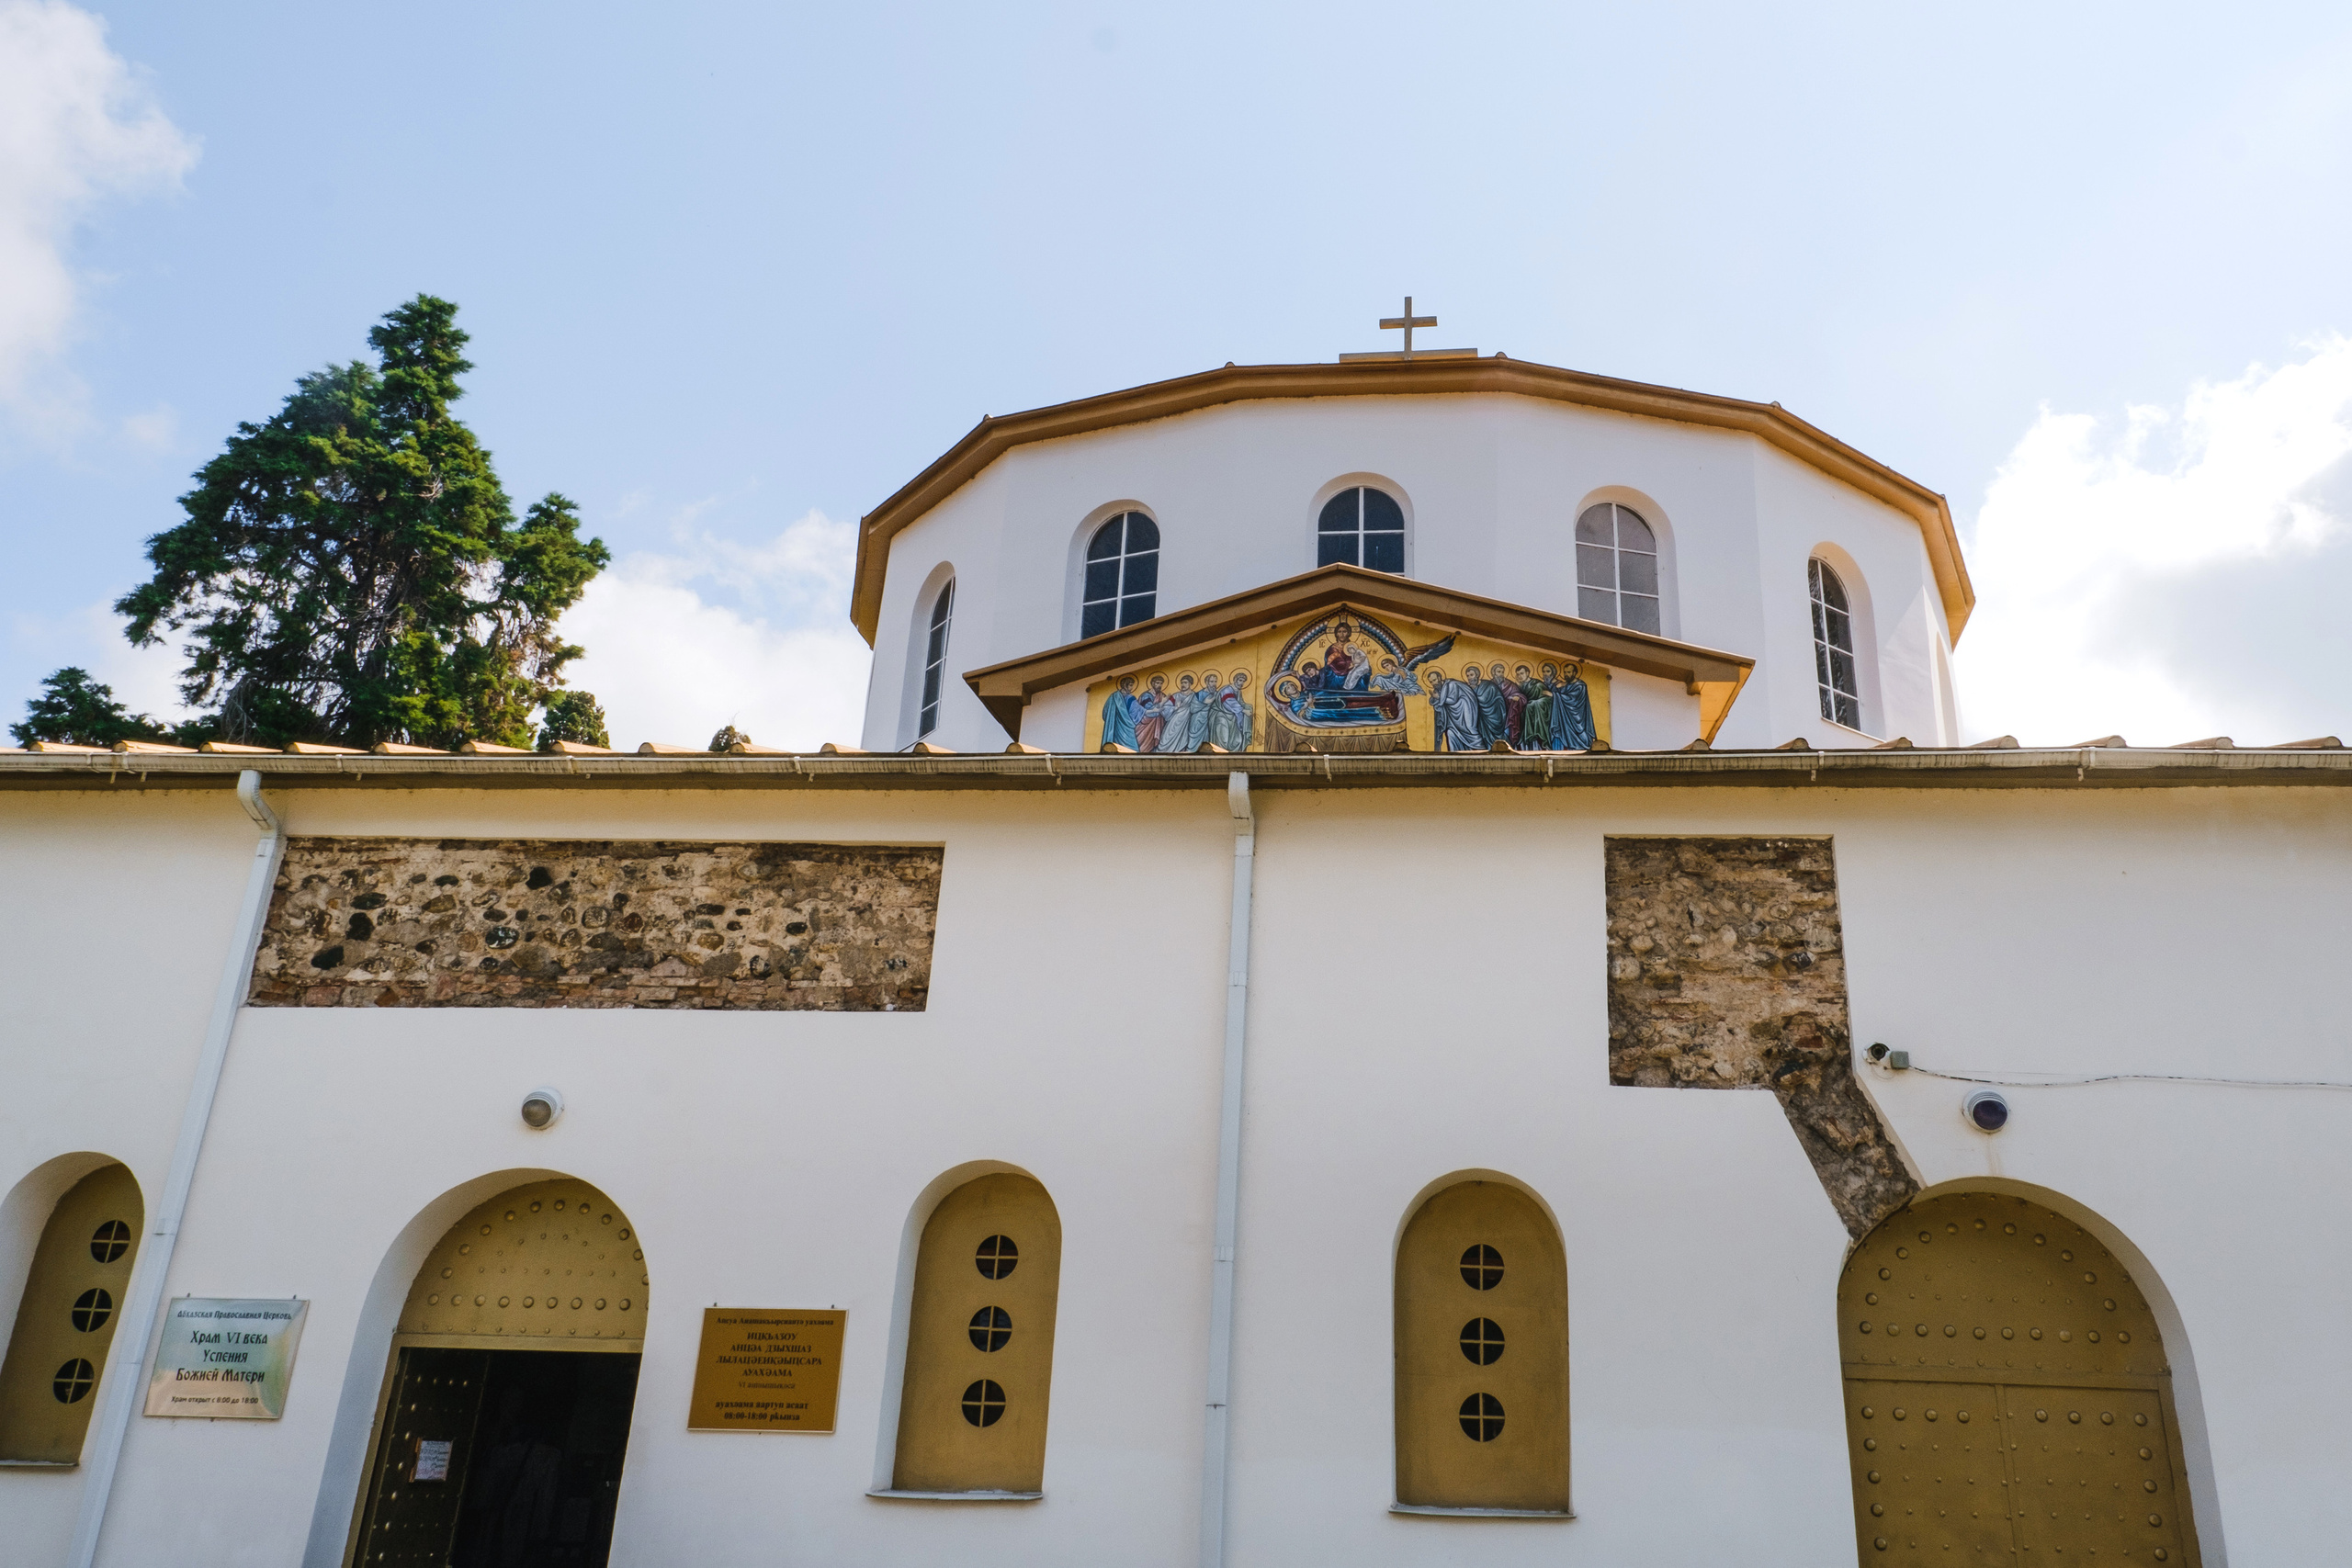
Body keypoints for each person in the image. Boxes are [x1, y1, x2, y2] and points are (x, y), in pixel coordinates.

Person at [1425, 667, 1484, 753]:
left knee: (1470, 731)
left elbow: (1453, 700)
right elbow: (1437, 703)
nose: (1434, 683)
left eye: (1434, 680)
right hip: (1453, 718)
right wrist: (1436, 699)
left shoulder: (1451, 684)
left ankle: (1482, 751)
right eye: (1431, 682)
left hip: (1464, 710)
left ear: (1439, 677)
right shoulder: (1439, 689)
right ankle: (1454, 754)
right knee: (1450, 733)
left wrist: (1438, 698)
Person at [1550, 661, 1598, 751]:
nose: (1566, 675)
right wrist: (1557, 687)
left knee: (1582, 737)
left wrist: (1554, 695)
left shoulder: (1580, 686)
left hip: (1578, 718)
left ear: (1574, 673)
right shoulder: (1565, 684)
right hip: (1565, 719)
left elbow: (1573, 700)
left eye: (1569, 672)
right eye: (1565, 672)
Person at [1469, 663, 1509, 750]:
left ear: (1477, 674)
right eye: (1468, 676)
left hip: (1493, 717)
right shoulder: (1470, 688)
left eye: (1472, 675)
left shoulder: (1488, 685)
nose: (1470, 678)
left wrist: (1473, 692)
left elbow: (1485, 700)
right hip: (1482, 720)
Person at [1521, 663, 1556, 750]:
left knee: (1532, 705)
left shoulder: (1538, 684)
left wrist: (1534, 703)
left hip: (1543, 715)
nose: (1545, 674)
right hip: (1530, 715)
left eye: (1548, 671)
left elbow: (1548, 700)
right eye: (1543, 671)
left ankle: (1544, 742)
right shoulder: (1521, 686)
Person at [1101, 675, 1139, 751]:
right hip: (1118, 729)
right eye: (1130, 685)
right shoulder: (1114, 697)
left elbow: (1105, 714)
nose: (1131, 688)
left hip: (1128, 727)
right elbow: (1106, 713)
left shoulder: (1131, 698)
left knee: (1133, 750)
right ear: (1125, 685)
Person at [1133, 673, 1169, 754]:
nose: (1159, 685)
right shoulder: (1146, 695)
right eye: (1157, 683)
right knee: (1143, 745)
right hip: (1145, 725)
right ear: (1152, 684)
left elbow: (1168, 707)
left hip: (1158, 724)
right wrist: (1162, 703)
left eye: (1161, 683)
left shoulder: (1162, 695)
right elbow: (1149, 710)